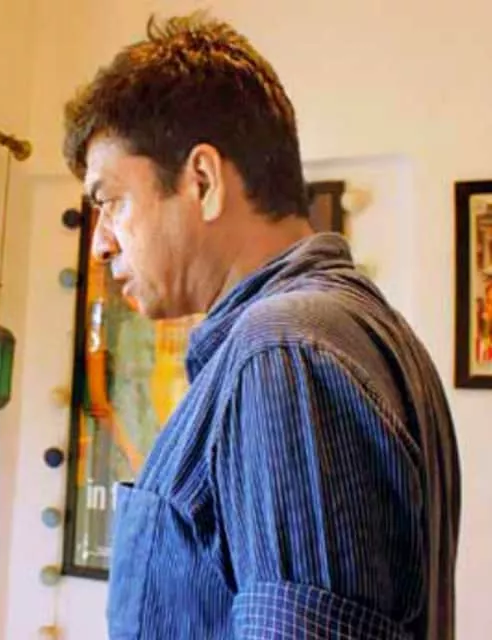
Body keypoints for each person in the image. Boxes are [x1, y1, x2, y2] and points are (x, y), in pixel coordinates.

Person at [63, 13, 460, 639]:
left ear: (202, 180)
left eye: (110, 200)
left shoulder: (282, 349)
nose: (100, 243)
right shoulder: (363, 334)